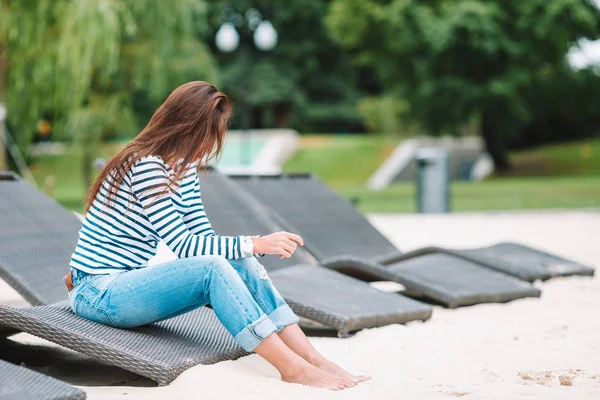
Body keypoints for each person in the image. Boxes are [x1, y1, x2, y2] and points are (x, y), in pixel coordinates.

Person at [66, 81, 370, 390]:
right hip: (99, 292)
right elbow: (185, 246)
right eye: (209, 136)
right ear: (186, 128)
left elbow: (205, 240)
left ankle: (313, 359)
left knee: (239, 262)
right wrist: (256, 242)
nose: (211, 146)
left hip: (128, 287)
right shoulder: (146, 166)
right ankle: (292, 368)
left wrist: (248, 251)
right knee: (219, 264)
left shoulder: (184, 171)